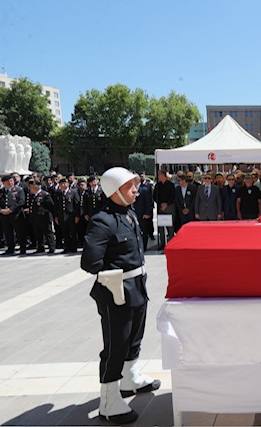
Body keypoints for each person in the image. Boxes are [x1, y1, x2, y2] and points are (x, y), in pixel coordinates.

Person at [81, 167, 160, 424]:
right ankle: (108, 400)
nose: (136, 189)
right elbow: (90, 262)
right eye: (130, 186)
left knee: (134, 338)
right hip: (117, 293)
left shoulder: (129, 214)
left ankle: (130, 377)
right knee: (116, 346)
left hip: (137, 287)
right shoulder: (102, 220)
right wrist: (113, 277)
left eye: (136, 185)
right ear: (114, 191)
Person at [0, 174, 27, 255]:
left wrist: (10, 210)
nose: (10, 183)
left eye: (11, 181)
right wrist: (1, 210)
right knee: (8, 232)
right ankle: (10, 247)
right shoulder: (0, 192)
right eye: (8, 181)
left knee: (19, 232)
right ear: (4, 183)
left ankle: (22, 248)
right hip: (4, 216)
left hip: (16, 215)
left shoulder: (18, 190)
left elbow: (21, 201)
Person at [26, 179, 56, 254]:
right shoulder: (33, 195)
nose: (30, 188)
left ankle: (52, 247)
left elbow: (51, 206)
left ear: (36, 187)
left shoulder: (45, 195)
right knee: (38, 233)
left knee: (48, 232)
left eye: (31, 186)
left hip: (44, 217)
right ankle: (40, 247)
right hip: (36, 218)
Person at [55, 178, 80, 254]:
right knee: (65, 232)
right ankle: (67, 247)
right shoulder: (58, 193)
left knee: (72, 232)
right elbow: (56, 206)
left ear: (68, 184)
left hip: (71, 216)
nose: (63, 185)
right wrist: (56, 216)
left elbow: (76, 205)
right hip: (62, 216)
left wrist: (77, 216)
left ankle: (74, 247)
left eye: (64, 183)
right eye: (61, 184)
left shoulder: (73, 192)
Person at [153, 170, 175, 249]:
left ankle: (171, 242)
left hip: (169, 207)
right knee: (161, 227)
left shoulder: (171, 185)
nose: (159, 177)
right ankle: (162, 243)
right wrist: (160, 204)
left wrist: (166, 204)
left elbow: (173, 196)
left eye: (160, 175)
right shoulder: (157, 186)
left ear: (163, 175)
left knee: (170, 226)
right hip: (160, 208)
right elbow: (155, 196)